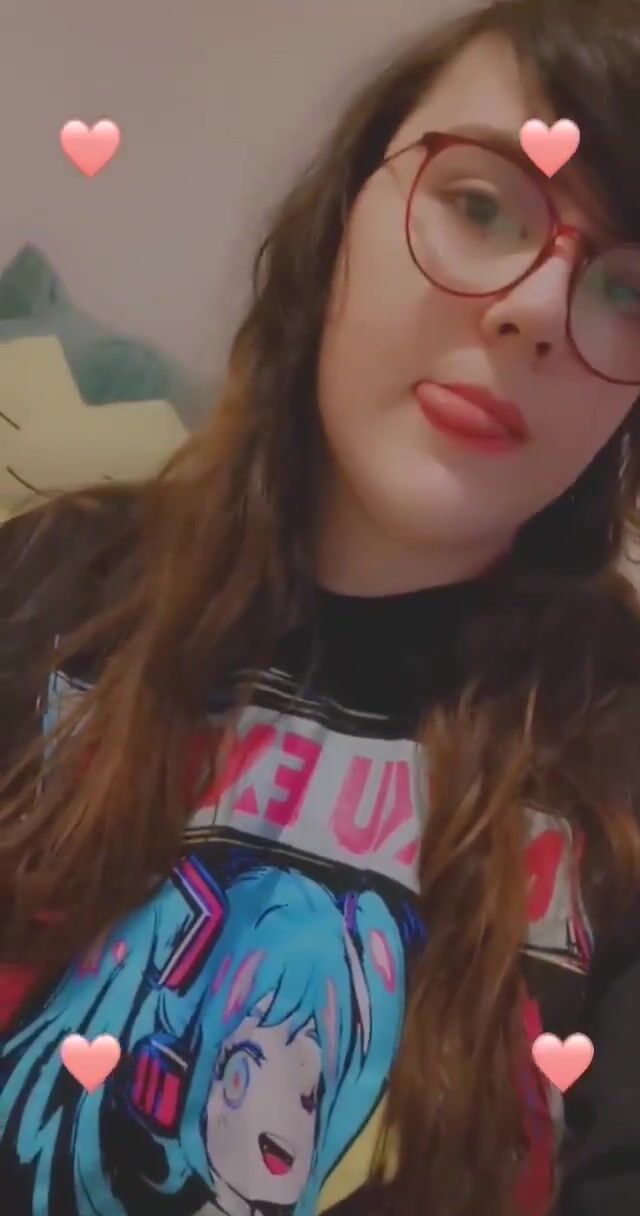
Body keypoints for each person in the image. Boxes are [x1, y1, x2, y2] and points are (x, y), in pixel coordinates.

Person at [3, 0, 640, 1212]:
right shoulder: (42, 588)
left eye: (626, 287)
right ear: (339, 217)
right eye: (479, 206)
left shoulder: (621, 748)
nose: (534, 310)